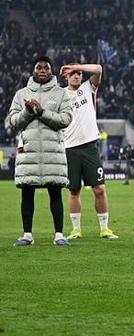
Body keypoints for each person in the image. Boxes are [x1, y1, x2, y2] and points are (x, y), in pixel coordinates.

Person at [8, 57, 73, 246]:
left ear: (51, 71)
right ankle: (27, 235)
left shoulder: (61, 93)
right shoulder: (21, 94)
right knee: (27, 193)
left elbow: (66, 119)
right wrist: (28, 111)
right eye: (39, 67)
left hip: (53, 153)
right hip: (29, 152)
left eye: (46, 67)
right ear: (34, 70)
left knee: (55, 193)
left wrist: (41, 111)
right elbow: (13, 121)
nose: (42, 70)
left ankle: (59, 235)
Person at [59, 62, 118, 240]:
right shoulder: (60, 95)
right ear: (66, 77)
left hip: (90, 147)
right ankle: (76, 230)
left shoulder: (88, 88)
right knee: (74, 190)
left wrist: (77, 66)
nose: (77, 76)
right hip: (69, 148)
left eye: (79, 73)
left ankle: (104, 229)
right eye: (73, 74)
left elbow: (99, 69)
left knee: (99, 188)